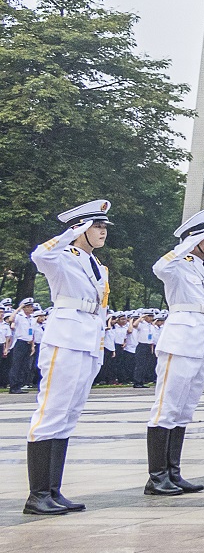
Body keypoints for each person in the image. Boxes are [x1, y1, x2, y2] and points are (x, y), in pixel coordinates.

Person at [22, 200, 114, 516]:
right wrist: (70, 233)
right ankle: (37, 495)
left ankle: (53, 490)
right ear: (81, 229)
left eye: (103, 227)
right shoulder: (61, 256)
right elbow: (39, 254)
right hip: (65, 338)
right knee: (51, 411)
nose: (102, 231)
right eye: (96, 226)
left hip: (88, 341)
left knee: (68, 415)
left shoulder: (98, 266)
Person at [145, 210, 204, 497]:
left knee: (184, 410)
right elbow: (158, 268)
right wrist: (185, 245)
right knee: (166, 408)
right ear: (192, 239)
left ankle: (173, 472)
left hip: (201, 340)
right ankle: (156, 476)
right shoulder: (178, 263)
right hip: (180, 339)